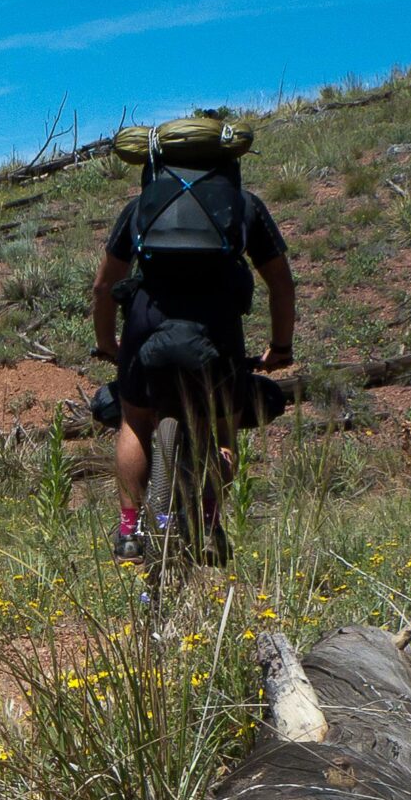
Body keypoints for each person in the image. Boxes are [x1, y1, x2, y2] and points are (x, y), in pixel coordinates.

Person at [90, 148, 296, 562]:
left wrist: (109, 343)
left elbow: (103, 287)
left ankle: (129, 531)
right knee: (224, 430)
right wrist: (280, 347)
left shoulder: (141, 207)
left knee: (134, 420)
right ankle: (209, 522)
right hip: (216, 329)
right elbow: (281, 284)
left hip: (146, 321)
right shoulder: (244, 206)